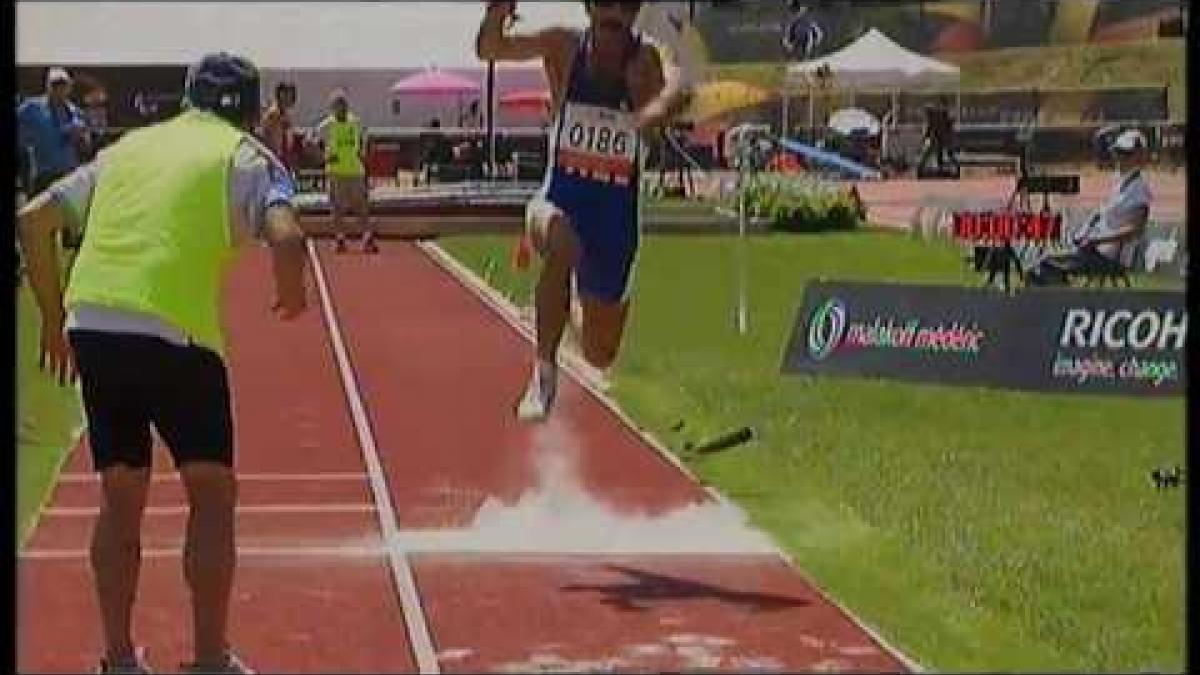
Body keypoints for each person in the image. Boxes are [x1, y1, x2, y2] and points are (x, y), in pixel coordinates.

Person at [16, 52, 308, 674]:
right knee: (210, 490)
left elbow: (33, 220)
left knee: (120, 495)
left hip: (93, 319)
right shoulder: (247, 155)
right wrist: (291, 285)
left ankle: (118, 658)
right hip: (175, 327)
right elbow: (287, 234)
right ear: (252, 112)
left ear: (187, 99)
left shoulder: (128, 149)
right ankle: (208, 658)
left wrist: (50, 317)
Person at [477, 0, 691, 420]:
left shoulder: (645, 62)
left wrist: (649, 109)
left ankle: (566, 305)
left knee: (599, 355)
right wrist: (496, 11)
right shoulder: (563, 48)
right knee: (562, 241)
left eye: (626, 8)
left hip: (615, 224)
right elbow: (490, 49)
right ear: (590, 9)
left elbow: (679, 92)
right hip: (558, 200)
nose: (616, 17)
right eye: (607, 6)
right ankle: (543, 375)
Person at [1031, 129, 1153, 285]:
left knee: (1044, 263)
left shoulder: (1139, 189)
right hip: (1095, 249)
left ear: (1139, 157)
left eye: (1126, 154)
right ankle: (1063, 299)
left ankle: (1061, 303)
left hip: (1107, 257)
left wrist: (1097, 240)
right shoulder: (1121, 183)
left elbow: (1135, 230)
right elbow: (1103, 215)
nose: (1119, 158)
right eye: (1118, 152)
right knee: (1041, 262)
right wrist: (1086, 232)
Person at [314, 89, 377, 253]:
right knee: (336, 208)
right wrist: (323, 157)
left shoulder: (355, 122)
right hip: (336, 172)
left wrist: (364, 154)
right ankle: (340, 238)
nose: (342, 108)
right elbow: (310, 142)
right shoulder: (327, 125)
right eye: (338, 105)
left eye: (344, 104)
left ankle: (367, 236)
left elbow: (366, 138)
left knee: (361, 207)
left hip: (355, 171)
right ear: (333, 108)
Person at [259, 81, 298, 173]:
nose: (288, 98)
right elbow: (264, 133)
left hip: (283, 158)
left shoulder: (286, 115)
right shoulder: (273, 114)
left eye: (290, 95)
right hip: (273, 157)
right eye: (285, 95)